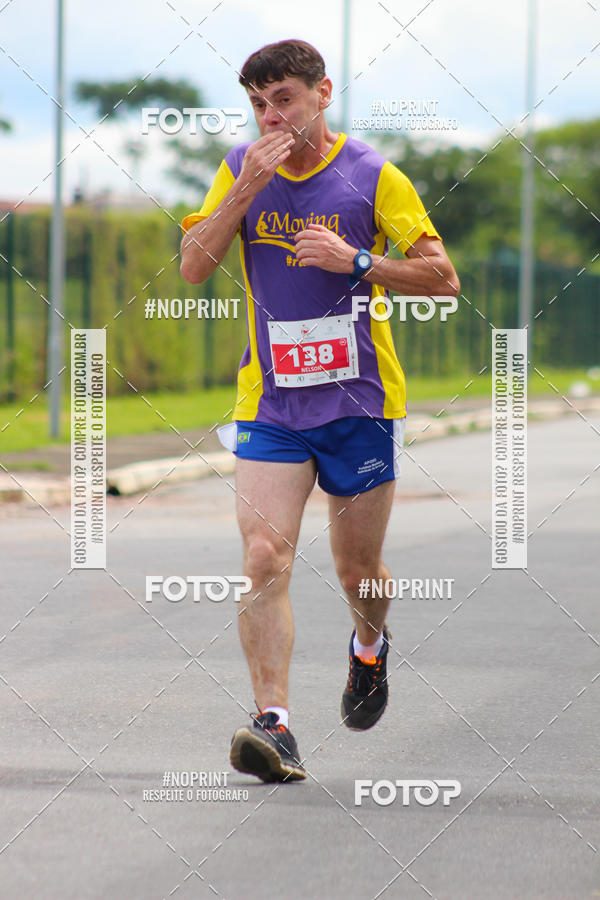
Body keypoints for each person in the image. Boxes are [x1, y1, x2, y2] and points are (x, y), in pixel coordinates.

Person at [180, 39, 459, 783]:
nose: (272, 118)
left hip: (359, 402)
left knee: (356, 569)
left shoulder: (373, 176)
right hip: (270, 402)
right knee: (264, 557)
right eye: (258, 105)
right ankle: (274, 724)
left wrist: (358, 261)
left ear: (322, 94)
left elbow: (443, 278)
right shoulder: (241, 169)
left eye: (286, 102)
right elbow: (192, 265)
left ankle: (369, 648)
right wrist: (242, 193)